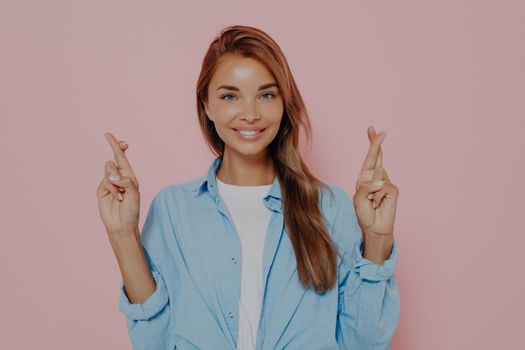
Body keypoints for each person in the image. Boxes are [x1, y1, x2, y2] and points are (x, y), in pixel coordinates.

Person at [96, 25, 400, 350]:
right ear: (207, 105)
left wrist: (378, 239)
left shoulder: (330, 207)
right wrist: (122, 234)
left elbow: (365, 342)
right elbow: (152, 341)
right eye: (230, 96)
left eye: (266, 95)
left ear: (285, 103)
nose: (250, 113)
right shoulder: (173, 210)